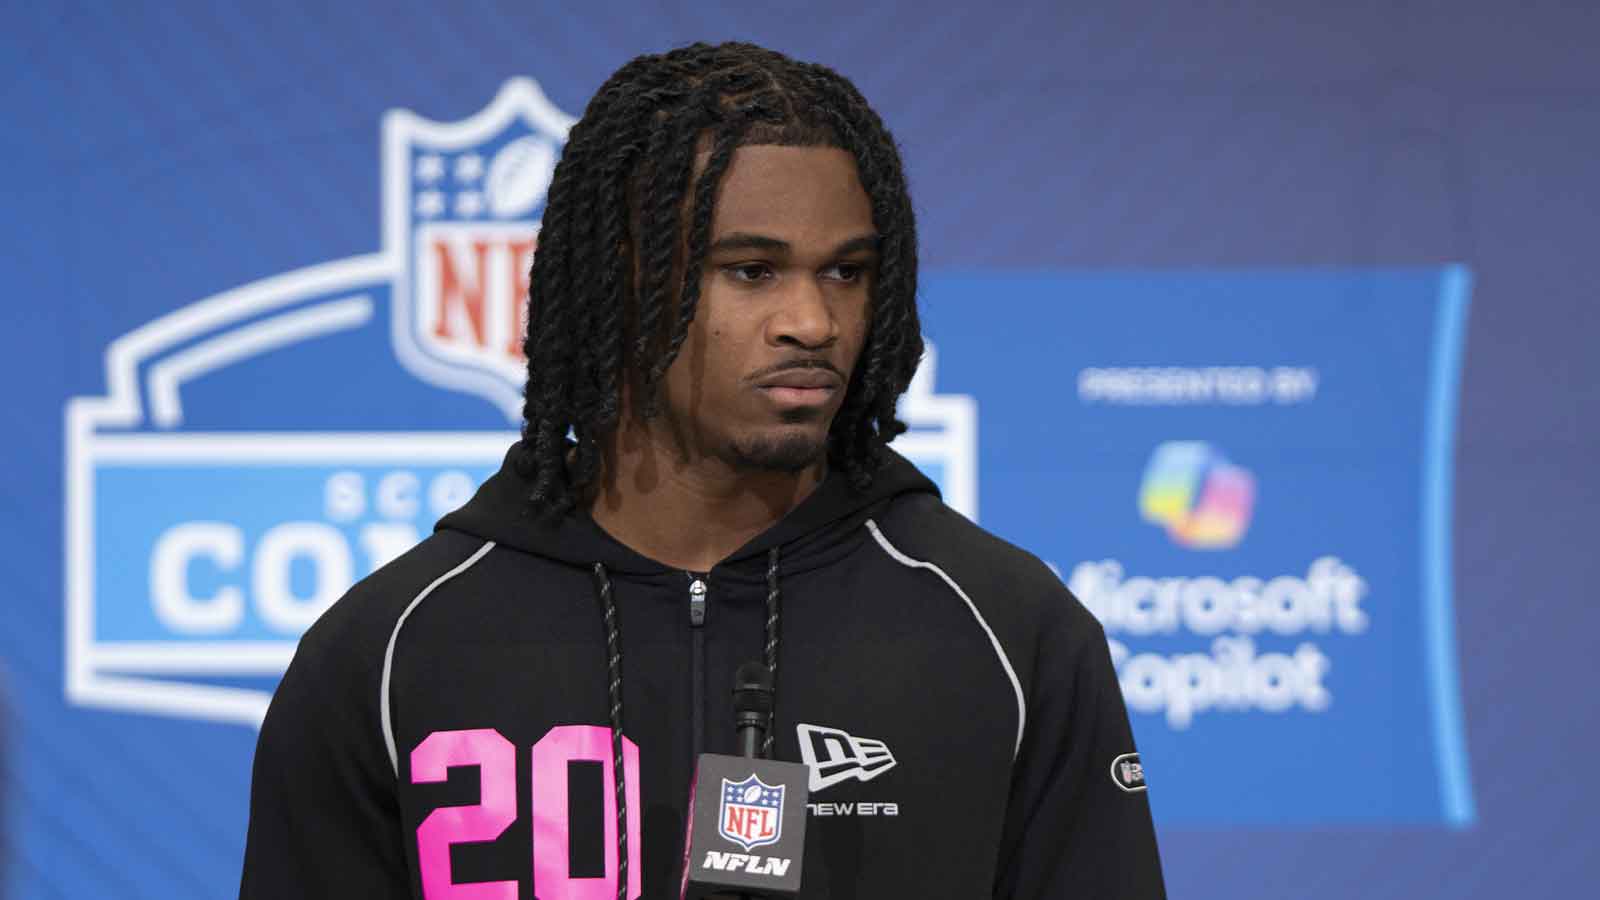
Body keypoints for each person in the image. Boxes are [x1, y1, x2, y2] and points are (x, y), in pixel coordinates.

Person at [239, 41, 1165, 899]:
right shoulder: (393, 649)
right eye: (751, 271)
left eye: (846, 273)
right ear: (625, 280)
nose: (814, 321)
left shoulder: (1009, 630)